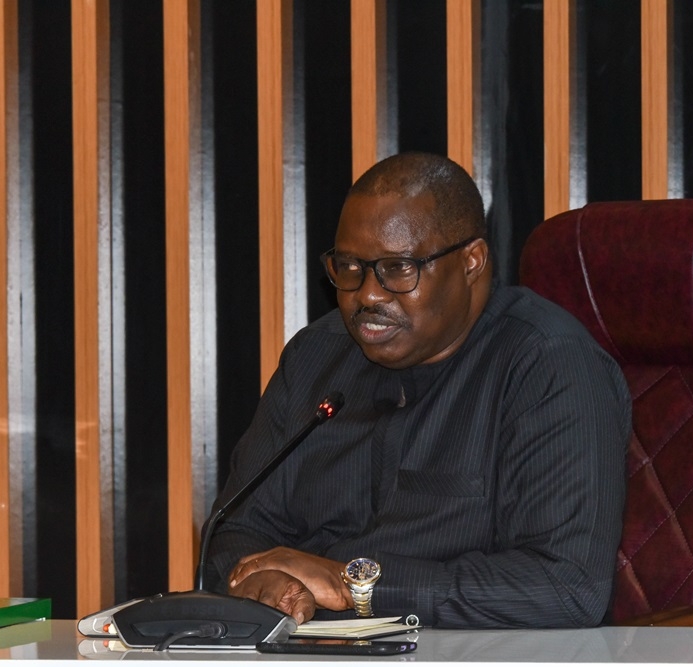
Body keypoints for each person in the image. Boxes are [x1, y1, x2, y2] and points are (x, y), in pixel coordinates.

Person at [203, 152, 631, 629]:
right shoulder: (315, 359)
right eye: (349, 267)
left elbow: (567, 589)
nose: (367, 294)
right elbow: (236, 531)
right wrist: (268, 583)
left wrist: (354, 585)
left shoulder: (547, 365)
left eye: (398, 268)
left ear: (472, 261)